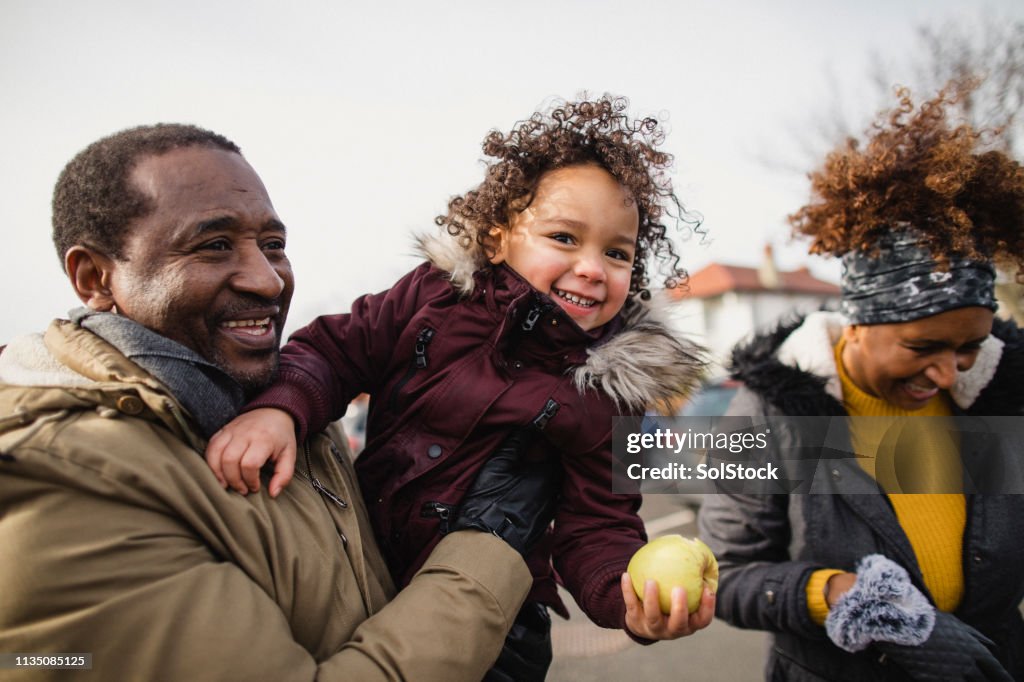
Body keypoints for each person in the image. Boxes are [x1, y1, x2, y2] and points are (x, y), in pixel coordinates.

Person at [0, 123, 562, 681]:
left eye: (273, 245)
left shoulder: (269, 400)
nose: (269, 281)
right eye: (215, 245)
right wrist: (485, 558)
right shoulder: (65, 483)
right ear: (95, 277)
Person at [205, 95, 716, 677]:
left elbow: (599, 523)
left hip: (498, 626)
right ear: (498, 239)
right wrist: (281, 409)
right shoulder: (433, 298)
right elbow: (334, 349)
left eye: (617, 252)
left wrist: (625, 595)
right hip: (366, 575)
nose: (594, 268)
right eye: (565, 239)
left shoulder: (611, 392)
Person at [699, 85, 1024, 680]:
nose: (948, 372)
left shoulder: (1007, 398)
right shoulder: (766, 413)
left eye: (969, 347)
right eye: (923, 347)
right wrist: (853, 599)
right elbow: (727, 574)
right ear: (858, 324)